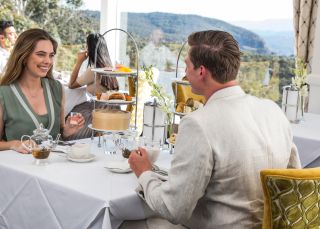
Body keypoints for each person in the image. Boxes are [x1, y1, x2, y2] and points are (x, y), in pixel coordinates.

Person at [127, 30, 301, 228]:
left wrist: (145, 172)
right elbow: (294, 181)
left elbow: (173, 209)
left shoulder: (198, 124)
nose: (185, 73)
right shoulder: (273, 111)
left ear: (201, 71)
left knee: (125, 223)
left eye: (187, 66)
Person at [0, 28, 85, 154]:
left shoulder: (56, 88)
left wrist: (67, 130)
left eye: (51, 55)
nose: (48, 61)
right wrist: (14, 144)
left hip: (53, 168)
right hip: (18, 169)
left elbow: (59, 133)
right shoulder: (4, 94)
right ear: (23, 56)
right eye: (41, 54)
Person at [67, 33, 119, 140]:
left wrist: (79, 61)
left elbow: (71, 85)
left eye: (86, 46)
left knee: (70, 114)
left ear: (90, 48)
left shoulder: (93, 70)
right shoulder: (108, 66)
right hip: (112, 110)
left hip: (99, 112)